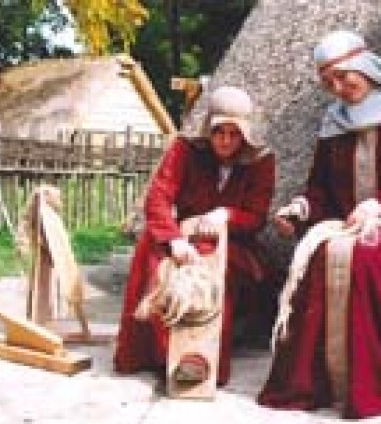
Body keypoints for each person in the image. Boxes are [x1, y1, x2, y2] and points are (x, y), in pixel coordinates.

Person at [256, 30, 381, 419]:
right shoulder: (334, 121)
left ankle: (371, 386)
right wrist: (299, 209)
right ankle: (316, 384)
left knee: (366, 261)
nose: (338, 87)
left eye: (343, 76)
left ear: (364, 66)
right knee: (319, 259)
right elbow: (320, 189)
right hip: (348, 223)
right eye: (328, 81)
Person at [113, 85, 277, 387]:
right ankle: (158, 354)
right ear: (208, 129)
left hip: (233, 244)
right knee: (152, 250)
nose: (226, 141)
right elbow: (158, 198)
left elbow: (256, 217)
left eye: (234, 133)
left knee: (212, 270)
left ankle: (200, 357)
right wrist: (174, 239)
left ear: (244, 134)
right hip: (184, 236)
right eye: (219, 132)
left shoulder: (261, 163)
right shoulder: (184, 151)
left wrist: (226, 215)